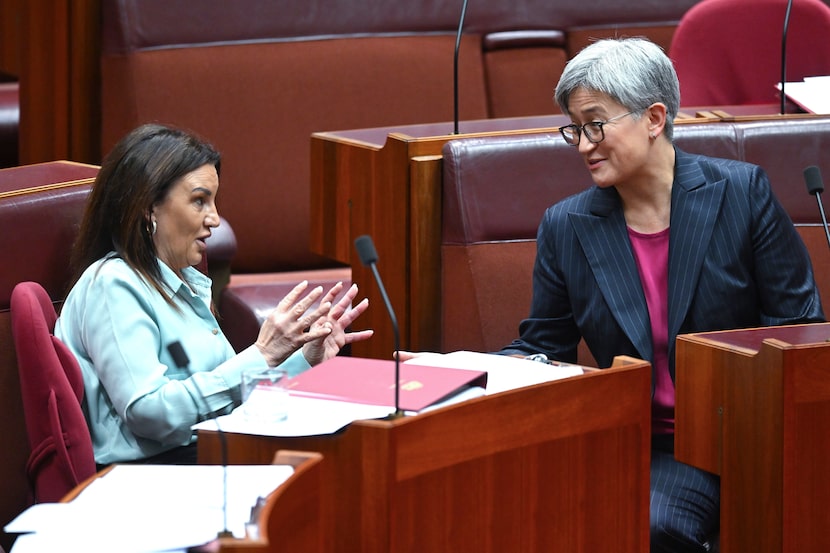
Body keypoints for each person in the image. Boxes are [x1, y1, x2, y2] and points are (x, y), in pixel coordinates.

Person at [500, 37, 825, 552]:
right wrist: (464, 377)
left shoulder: (742, 194)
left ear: (653, 119)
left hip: (750, 433)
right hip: (648, 444)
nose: (584, 145)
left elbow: (803, 329)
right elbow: (545, 345)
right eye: (575, 129)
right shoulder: (567, 226)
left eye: (595, 124)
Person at [55, 123, 373, 466]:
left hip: (204, 448)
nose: (215, 219)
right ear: (148, 207)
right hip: (152, 470)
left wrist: (304, 359)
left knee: (358, 441)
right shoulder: (113, 284)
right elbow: (148, 412)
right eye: (199, 201)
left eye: (213, 201)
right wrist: (263, 353)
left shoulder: (185, 282)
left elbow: (225, 393)